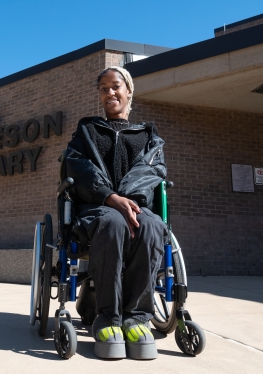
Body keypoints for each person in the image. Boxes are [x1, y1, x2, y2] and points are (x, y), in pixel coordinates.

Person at [65, 66, 168, 360]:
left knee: (152, 225)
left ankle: (136, 318)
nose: (109, 92)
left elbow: (153, 169)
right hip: (96, 209)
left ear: (129, 91)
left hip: (136, 207)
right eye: (103, 88)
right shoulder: (86, 131)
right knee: (112, 222)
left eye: (115, 86)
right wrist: (111, 198)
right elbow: (79, 168)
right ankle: (108, 318)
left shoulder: (148, 135)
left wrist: (128, 200)